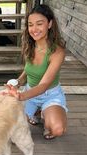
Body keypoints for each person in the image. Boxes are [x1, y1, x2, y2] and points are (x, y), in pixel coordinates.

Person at [4, 4, 67, 140]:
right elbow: (27, 72)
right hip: (30, 93)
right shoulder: (30, 45)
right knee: (11, 132)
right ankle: (37, 112)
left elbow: (44, 85)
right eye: (30, 25)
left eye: (39, 24)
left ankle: (45, 112)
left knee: (57, 130)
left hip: (50, 95)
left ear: (49, 24)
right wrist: (17, 83)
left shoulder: (57, 52)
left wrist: (21, 96)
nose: (34, 29)